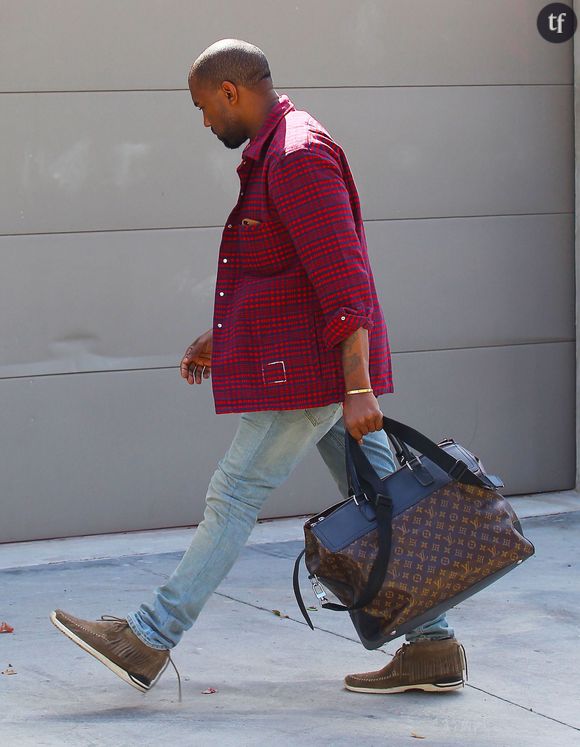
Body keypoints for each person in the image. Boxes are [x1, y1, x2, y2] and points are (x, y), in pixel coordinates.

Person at [50, 39, 467, 697]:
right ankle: (434, 645)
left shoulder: (297, 157)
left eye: (203, 107)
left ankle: (148, 637)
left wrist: (357, 386)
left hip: (316, 373)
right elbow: (287, 275)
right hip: (317, 366)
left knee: (235, 490)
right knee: (387, 499)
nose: (204, 121)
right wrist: (223, 337)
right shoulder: (277, 152)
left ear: (231, 93)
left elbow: (345, 282)